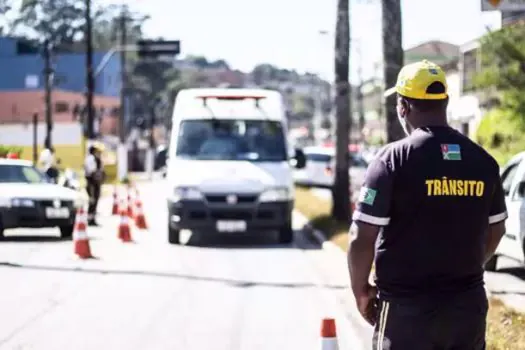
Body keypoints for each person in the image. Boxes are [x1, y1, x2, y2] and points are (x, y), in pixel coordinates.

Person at [347, 60, 507, 349]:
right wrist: (463, 267)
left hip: (406, 311)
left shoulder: (391, 160)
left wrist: (361, 291)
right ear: (444, 102)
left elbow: (361, 236)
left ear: (403, 107)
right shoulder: (483, 162)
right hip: (466, 309)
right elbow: (496, 230)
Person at [84, 142, 105, 226]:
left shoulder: (97, 159)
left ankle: (92, 218)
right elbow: (92, 171)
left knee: (95, 200)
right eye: (97, 151)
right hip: (91, 183)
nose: (98, 153)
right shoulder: (90, 159)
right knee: (92, 200)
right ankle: (89, 219)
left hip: (96, 183)